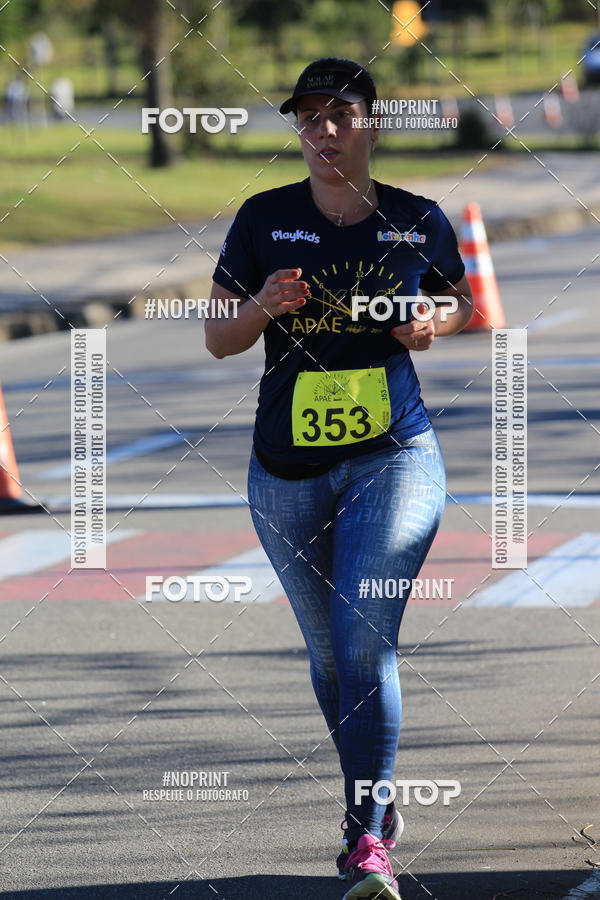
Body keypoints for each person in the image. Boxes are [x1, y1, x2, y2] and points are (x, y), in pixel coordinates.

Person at [206, 57, 473, 900]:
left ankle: (364, 840)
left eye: (340, 115)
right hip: (284, 470)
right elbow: (217, 336)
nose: (323, 131)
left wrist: (433, 321)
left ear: (371, 124)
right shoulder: (265, 218)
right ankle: (379, 804)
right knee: (331, 659)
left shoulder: (415, 219)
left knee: (362, 639)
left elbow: (460, 302)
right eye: (308, 117)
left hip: (395, 455)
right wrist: (261, 306)